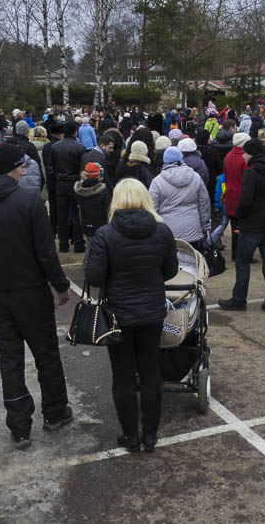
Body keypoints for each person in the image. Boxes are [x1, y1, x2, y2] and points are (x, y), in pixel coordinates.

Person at [0, 143, 74, 450]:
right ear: (11, 169)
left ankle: (20, 426)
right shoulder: (29, 201)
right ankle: (55, 412)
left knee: (9, 360)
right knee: (46, 354)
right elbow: (45, 252)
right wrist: (61, 285)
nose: (24, 170)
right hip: (31, 293)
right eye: (21, 166)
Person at [85, 178, 178, 453]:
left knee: (123, 376)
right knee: (151, 373)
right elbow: (171, 271)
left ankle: (130, 436)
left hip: (118, 314)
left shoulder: (105, 234)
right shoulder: (162, 231)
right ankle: (150, 435)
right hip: (151, 311)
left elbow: (94, 277)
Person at [217, 139, 265, 313]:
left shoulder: (251, 173)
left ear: (252, 154)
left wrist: (240, 215)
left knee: (242, 263)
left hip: (251, 225)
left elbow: (245, 199)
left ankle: (239, 299)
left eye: (245, 154)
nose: (243, 157)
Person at [148, 146, 211, 247]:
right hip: (193, 229)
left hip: (168, 231)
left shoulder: (157, 181)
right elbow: (204, 203)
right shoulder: (195, 177)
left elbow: (151, 208)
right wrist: (204, 225)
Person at [50, 121, 87, 253]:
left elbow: (50, 167)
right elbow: (82, 168)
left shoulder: (55, 147)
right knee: (76, 214)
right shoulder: (80, 147)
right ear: (75, 131)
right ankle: (78, 243)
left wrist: (55, 182)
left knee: (62, 214)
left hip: (60, 183)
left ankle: (63, 243)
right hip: (74, 183)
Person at [222, 132, 251, 259]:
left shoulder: (228, 156)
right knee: (244, 228)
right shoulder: (244, 159)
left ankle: (235, 253)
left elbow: (226, 176)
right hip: (241, 196)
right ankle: (243, 255)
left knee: (235, 227)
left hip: (230, 195)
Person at [74, 162, 112, 256]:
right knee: (100, 247)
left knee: (89, 244)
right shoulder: (103, 191)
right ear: (98, 174)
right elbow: (108, 209)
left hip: (85, 222)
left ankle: (87, 261)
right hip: (101, 224)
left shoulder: (79, 191)